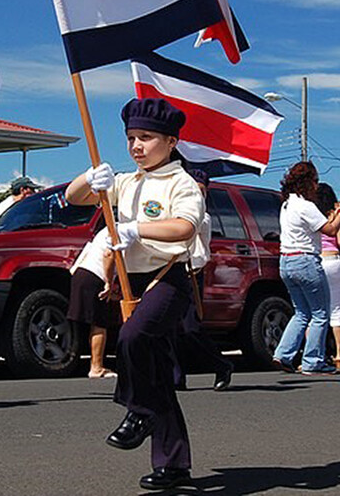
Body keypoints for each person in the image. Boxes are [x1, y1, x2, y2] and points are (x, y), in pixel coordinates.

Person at [65, 98, 204, 491]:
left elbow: (183, 229)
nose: (136, 146)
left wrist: (135, 230)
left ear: (172, 142)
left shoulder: (182, 183)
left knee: (132, 338)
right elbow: (75, 198)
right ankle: (173, 465)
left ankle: (138, 410)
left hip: (169, 276)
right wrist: (90, 178)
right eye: (130, 138)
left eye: (146, 138)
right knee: (157, 373)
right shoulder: (125, 181)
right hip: (131, 282)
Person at [272, 161, 339, 376]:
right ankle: (313, 361)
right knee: (320, 313)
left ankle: (283, 354)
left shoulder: (287, 205)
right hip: (306, 260)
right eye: (315, 181)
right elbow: (329, 230)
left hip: (286, 261)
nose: (317, 186)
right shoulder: (306, 206)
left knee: (301, 312)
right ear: (308, 183)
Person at [172, 168, 233, 392]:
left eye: (199, 191)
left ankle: (222, 364)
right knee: (171, 327)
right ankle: (176, 376)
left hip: (192, 272)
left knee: (190, 328)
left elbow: (184, 231)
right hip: (170, 270)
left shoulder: (201, 216)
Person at [67, 228, 118, 379]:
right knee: (99, 322)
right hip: (95, 276)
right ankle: (96, 367)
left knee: (89, 320)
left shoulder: (106, 229)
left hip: (81, 272)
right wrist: (108, 283)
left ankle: (93, 363)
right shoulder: (120, 231)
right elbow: (109, 254)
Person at [314, 183, 340, 368]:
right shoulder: (335, 214)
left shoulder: (311, 213)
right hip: (334, 261)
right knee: (337, 308)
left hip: (316, 261)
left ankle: (315, 352)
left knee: (315, 310)